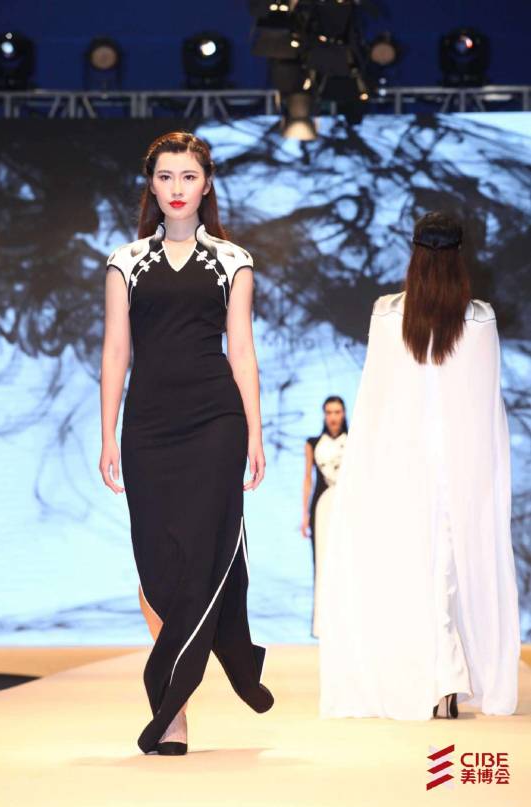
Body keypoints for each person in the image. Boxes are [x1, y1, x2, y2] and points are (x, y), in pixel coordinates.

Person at [99, 131, 273, 755]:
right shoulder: (125, 261)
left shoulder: (232, 260)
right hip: (148, 426)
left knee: (205, 553)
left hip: (214, 422)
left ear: (206, 184)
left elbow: (242, 351)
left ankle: (170, 709)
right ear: (151, 184)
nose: (177, 188)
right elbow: (115, 352)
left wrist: (254, 431)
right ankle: (206, 670)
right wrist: (106, 434)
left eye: (188, 176)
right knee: (156, 565)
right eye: (166, 176)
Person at [319, 211, 521, 721]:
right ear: (459, 256)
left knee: (416, 574)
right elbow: (486, 413)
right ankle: (444, 681)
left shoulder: (389, 316)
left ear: (414, 254)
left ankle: (438, 679)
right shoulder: (478, 321)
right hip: (458, 476)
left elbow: (375, 402)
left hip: (402, 472)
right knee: (446, 573)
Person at [302, 397, 348, 638]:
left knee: (348, 561)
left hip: (349, 506)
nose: (333, 417)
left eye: (337, 412)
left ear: (344, 413)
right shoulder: (313, 443)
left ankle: (348, 620)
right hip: (322, 507)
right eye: (329, 412)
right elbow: (308, 479)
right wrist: (304, 514)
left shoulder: (354, 440)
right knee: (322, 563)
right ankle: (323, 623)